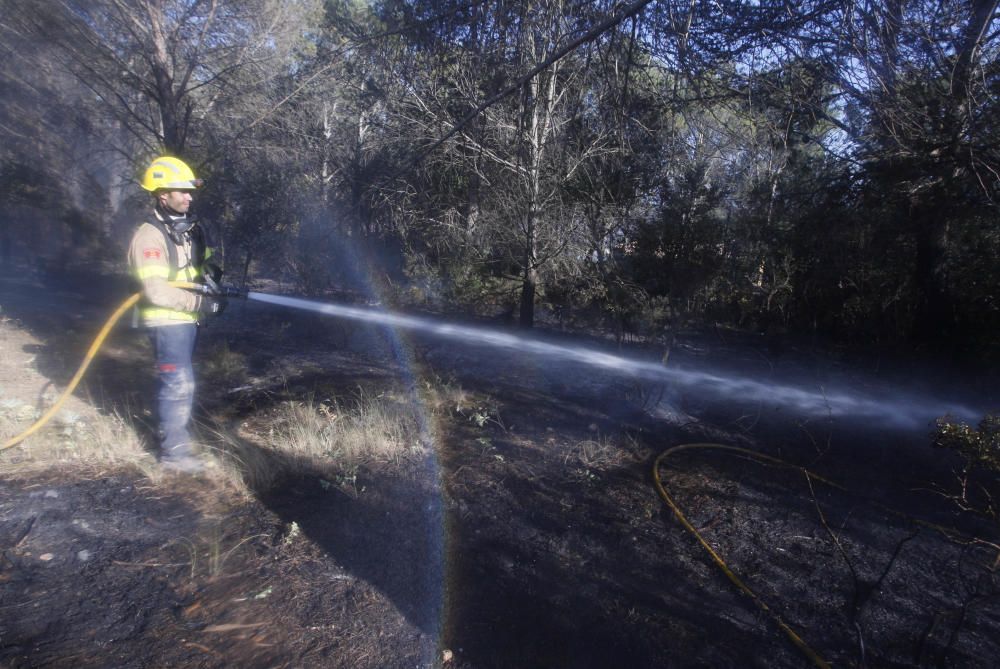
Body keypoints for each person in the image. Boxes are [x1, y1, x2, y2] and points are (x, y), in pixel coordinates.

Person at [128, 156, 225, 472]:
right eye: (181, 191)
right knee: (178, 384)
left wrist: (211, 276)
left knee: (182, 382)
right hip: (166, 321)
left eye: (190, 191)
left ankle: (175, 440)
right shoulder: (149, 237)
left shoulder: (184, 229)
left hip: (184, 322)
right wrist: (201, 304)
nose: (189, 197)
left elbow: (194, 268)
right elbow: (156, 291)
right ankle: (174, 455)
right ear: (161, 195)